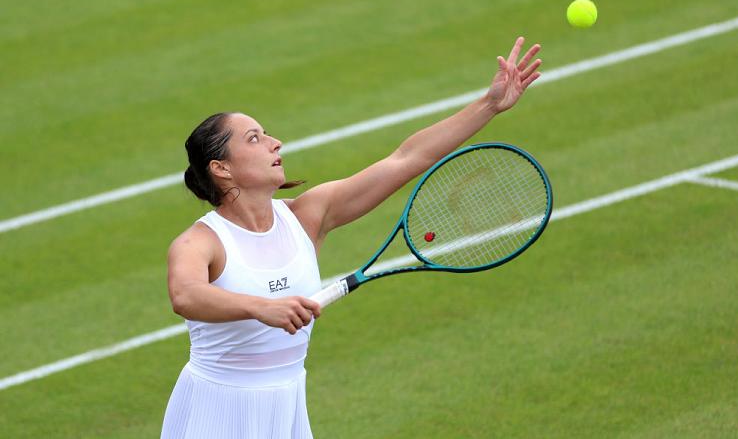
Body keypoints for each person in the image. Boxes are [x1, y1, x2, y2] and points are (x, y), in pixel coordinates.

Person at [160, 37, 542, 438]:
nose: (276, 143)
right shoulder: (200, 242)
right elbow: (185, 296)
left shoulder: (308, 216)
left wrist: (489, 105)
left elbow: (406, 159)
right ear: (221, 169)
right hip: (215, 412)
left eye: (267, 133)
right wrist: (260, 307)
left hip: (286, 407)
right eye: (253, 139)